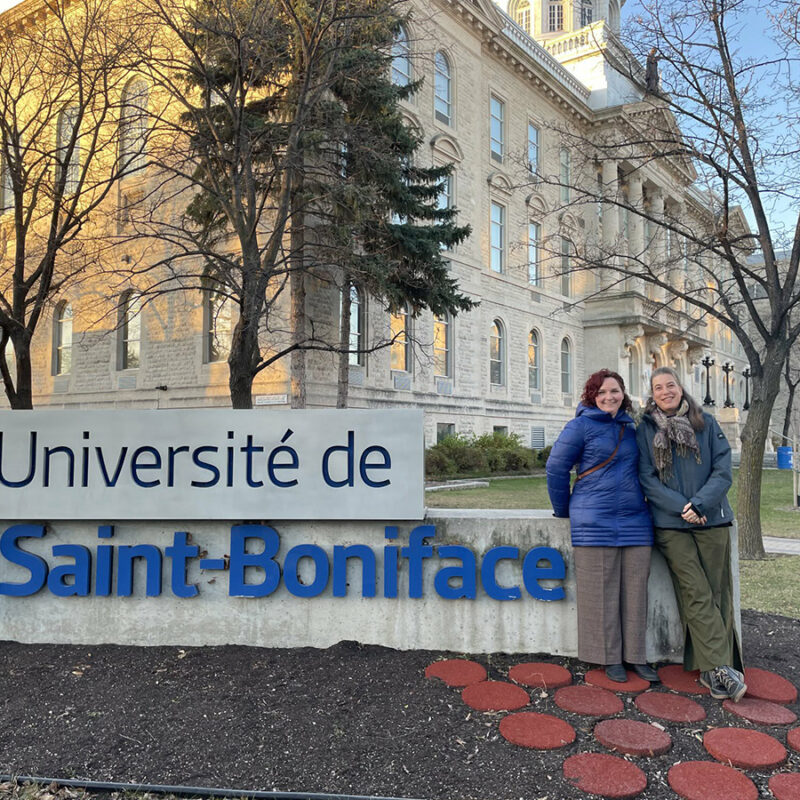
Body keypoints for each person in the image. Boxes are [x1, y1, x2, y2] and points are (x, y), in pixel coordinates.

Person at [636, 366, 746, 702]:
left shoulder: (706, 422)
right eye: (658, 388)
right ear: (652, 394)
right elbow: (647, 477)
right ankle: (724, 666)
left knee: (717, 593)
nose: (665, 391)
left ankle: (714, 674)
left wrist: (699, 504)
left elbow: (722, 469)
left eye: (670, 385)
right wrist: (682, 506)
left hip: (711, 518)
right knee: (696, 592)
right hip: (672, 525)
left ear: (681, 388)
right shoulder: (645, 428)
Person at [547, 369, 657, 683]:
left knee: (636, 592)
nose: (609, 397)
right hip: (594, 520)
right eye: (602, 393)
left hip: (636, 519)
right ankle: (609, 657)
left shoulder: (633, 428)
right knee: (601, 591)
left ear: (624, 394)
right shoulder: (580, 426)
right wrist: (564, 509)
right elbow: (556, 468)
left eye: (614, 391)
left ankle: (636, 656)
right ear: (591, 397)